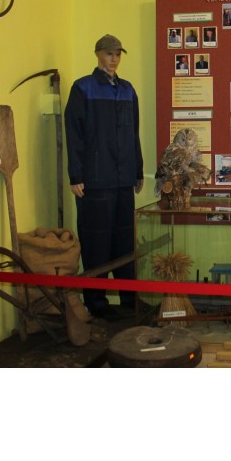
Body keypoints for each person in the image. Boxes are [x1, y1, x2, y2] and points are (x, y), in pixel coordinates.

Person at [64, 34, 144, 320]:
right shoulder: (83, 88)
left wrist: (137, 171)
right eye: (109, 53)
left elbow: (134, 133)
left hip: (123, 180)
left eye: (118, 54)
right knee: (96, 241)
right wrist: (76, 175)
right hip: (95, 181)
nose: (114, 59)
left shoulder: (128, 90)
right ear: (98, 54)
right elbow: (74, 135)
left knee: (125, 240)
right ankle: (96, 302)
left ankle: (129, 299)